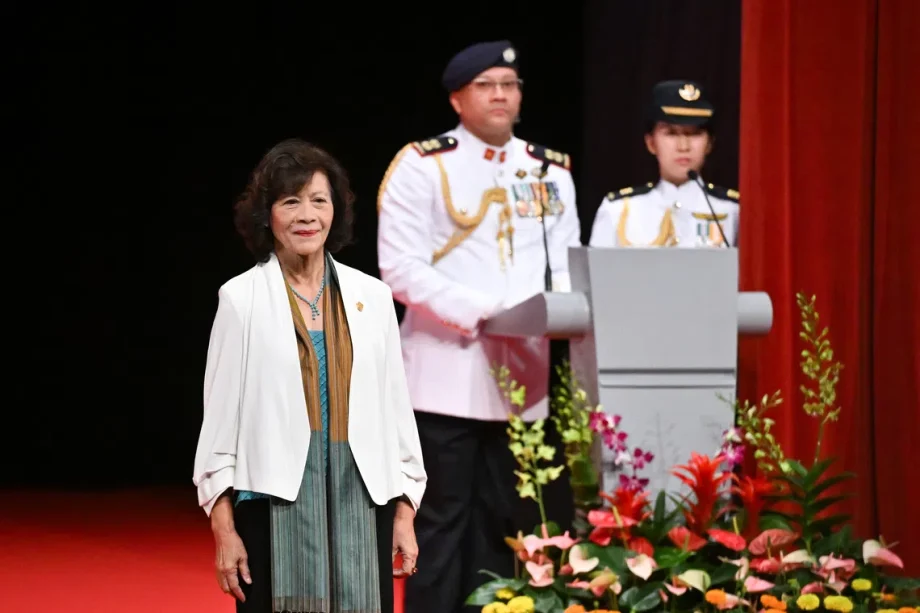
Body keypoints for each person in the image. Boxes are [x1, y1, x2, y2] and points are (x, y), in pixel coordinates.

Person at [376, 40, 582, 613]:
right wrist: (485, 310)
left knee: (510, 526)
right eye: (486, 85)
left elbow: (567, 264)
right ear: (457, 99)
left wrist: (551, 310)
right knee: (440, 526)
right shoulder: (422, 164)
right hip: (446, 375)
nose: (500, 95)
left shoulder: (550, 170)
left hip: (524, 382)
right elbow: (399, 267)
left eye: (509, 85)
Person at [192, 138, 427, 613]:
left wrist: (405, 511)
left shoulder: (372, 297)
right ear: (267, 215)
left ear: (335, 211)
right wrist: (223, 530)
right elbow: (218, 429)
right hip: (272, 507)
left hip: (363, 504)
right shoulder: (241, 299)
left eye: (319, 201)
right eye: (290, 202)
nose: (307, 216)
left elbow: (396, 412)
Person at [589, 80, 740, 248]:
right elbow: (597, 265)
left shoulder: (732, 210)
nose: (683, 146)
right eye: (671, 133)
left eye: (694, 134)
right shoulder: (619, 210)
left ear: (710, 143)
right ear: (651, 143)